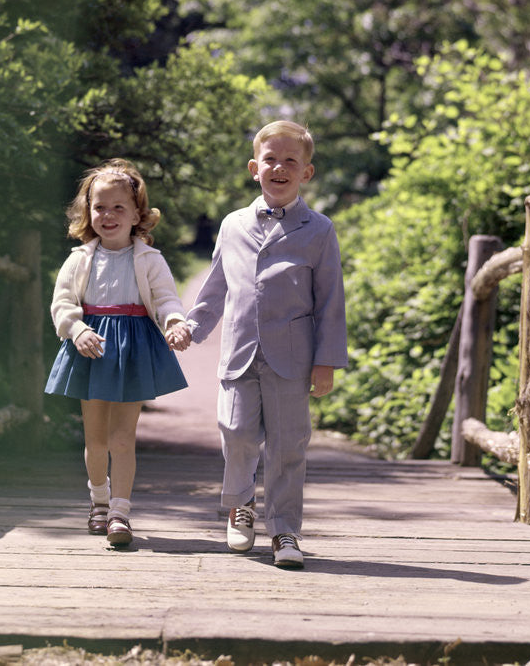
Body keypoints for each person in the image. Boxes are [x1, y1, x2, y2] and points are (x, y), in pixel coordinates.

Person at [185, 120, 348, 569]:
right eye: (270, 160)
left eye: (290, 161)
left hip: (292, 359)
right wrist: (190, 328)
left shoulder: (319, 230)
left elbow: (331, 301)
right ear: (255, 167)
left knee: (288, 444)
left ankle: (284, 530)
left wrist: (326, 362)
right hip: (239, 354)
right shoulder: (233, 225)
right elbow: (215, 289)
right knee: (236, 433)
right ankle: (241, 505)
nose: (279, 168)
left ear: (306, 172)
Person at [45, 159, 192, 548]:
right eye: (99, 207)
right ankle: (98, 501)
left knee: (123, 438)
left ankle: (120, 513)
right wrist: (76, 329)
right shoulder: (79, 259)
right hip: (91, 346)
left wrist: (176, 322)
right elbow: (62, 303)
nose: (108, 215)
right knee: (95, 440)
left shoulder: (149, 259)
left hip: (132, 348)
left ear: (137, 214)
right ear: (87, 211)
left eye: (118, 208)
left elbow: (165, 299)